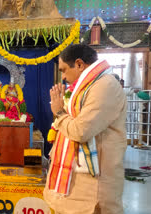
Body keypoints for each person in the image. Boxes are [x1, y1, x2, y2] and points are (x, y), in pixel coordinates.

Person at [43, 44, 127, 214]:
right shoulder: (87, 87)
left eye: (64, 70)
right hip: (78, 180)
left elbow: (81, 131)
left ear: (80, 64)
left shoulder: (104, 86)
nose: (63, 77)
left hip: (95, 183)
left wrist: (59, 112)